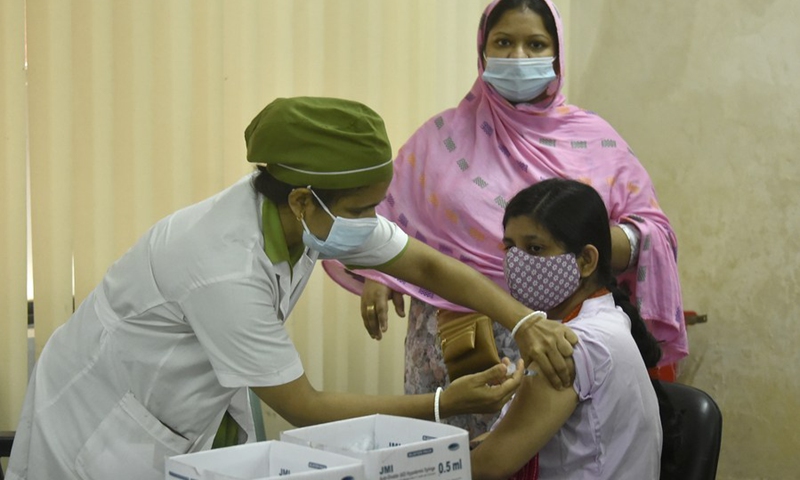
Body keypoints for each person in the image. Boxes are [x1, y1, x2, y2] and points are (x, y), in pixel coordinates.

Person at [6, 97, 580, 480]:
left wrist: (525, 321)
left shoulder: (313, 213)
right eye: (364, 210)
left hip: (182, 408)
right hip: (102, 419)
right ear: (304, 200)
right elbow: (305, 406)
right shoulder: (222, 266)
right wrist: (441, 404)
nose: (374, 223)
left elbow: (427, 267)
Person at [323, 0, 687, 437]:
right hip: (449, 342)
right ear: (482, 49)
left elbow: (654, 233)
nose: (518, 58)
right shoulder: (440, 138)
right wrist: (383, 273)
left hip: (554, 338)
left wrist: (577, 245)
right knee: (447, 457)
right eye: (504, 43)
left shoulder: (596, 141)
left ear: (557, 52)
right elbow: (386, 216)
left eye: (535, 44)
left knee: (538, 458)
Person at [470, 178, 678, 479]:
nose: (517, 263)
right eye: (510, 248)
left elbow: (490, 466)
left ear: (585, 260)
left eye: (535, 248)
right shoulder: (603, 319)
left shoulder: (568, 345)